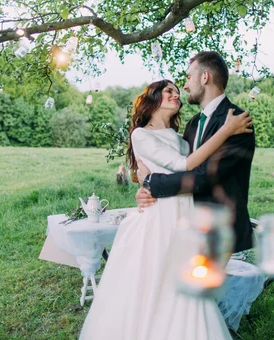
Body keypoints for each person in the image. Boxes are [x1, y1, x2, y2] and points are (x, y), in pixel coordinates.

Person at [79, 79, 252, 340]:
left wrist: (148, 182)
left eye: (177, 91)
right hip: (159, 218)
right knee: (155, 280)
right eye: (168, 90)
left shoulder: (184, 138)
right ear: (153, 99)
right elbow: (183, 165)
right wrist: (226, 131)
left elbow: (196, 172)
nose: (177, 94)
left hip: (185, 217)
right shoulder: (141, 134)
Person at [136, 51, 256, 255]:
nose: (184, 86)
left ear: (205, 77)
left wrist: (151, 183)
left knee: (204, 287)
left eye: (189, 77)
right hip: (189, 225)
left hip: (221, 228)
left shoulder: (236, 121)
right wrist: (144, 191)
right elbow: (177, 163)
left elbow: (205, 177)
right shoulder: (193, 124)